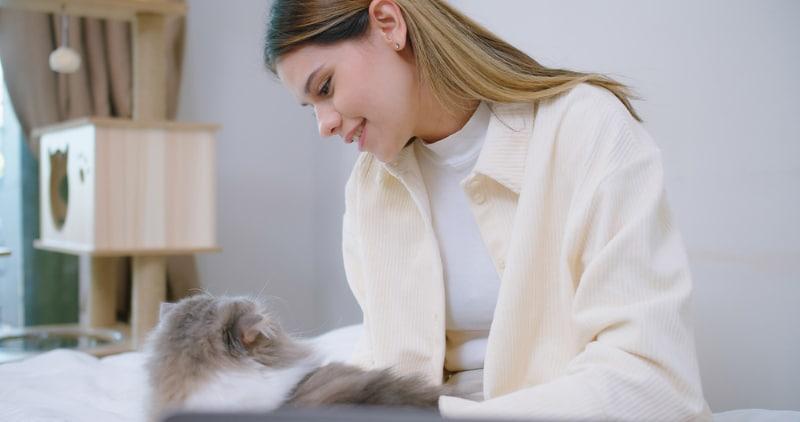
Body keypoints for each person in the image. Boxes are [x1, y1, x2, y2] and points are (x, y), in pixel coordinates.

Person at [264, 0, 710, 420]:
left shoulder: (587, 130)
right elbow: (387, 359)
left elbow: (654, 381)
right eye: (311, 108)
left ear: (388, 24)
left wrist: (450, 416)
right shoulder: (369, 191)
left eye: (325, 87)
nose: (324, 126)